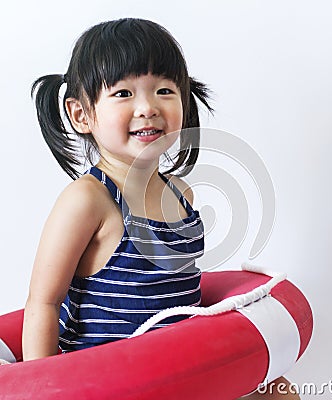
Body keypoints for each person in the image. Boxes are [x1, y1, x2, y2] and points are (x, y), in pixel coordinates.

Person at [1, 18, 299, 399]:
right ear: (82, 115)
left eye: (163, 90)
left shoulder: (182, 194)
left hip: (178, 370)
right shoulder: (89, 199)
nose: (147, 107)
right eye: (124, 94)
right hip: (106, 383)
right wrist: (40, 388)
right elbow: (45, 301)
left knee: (278, 391)